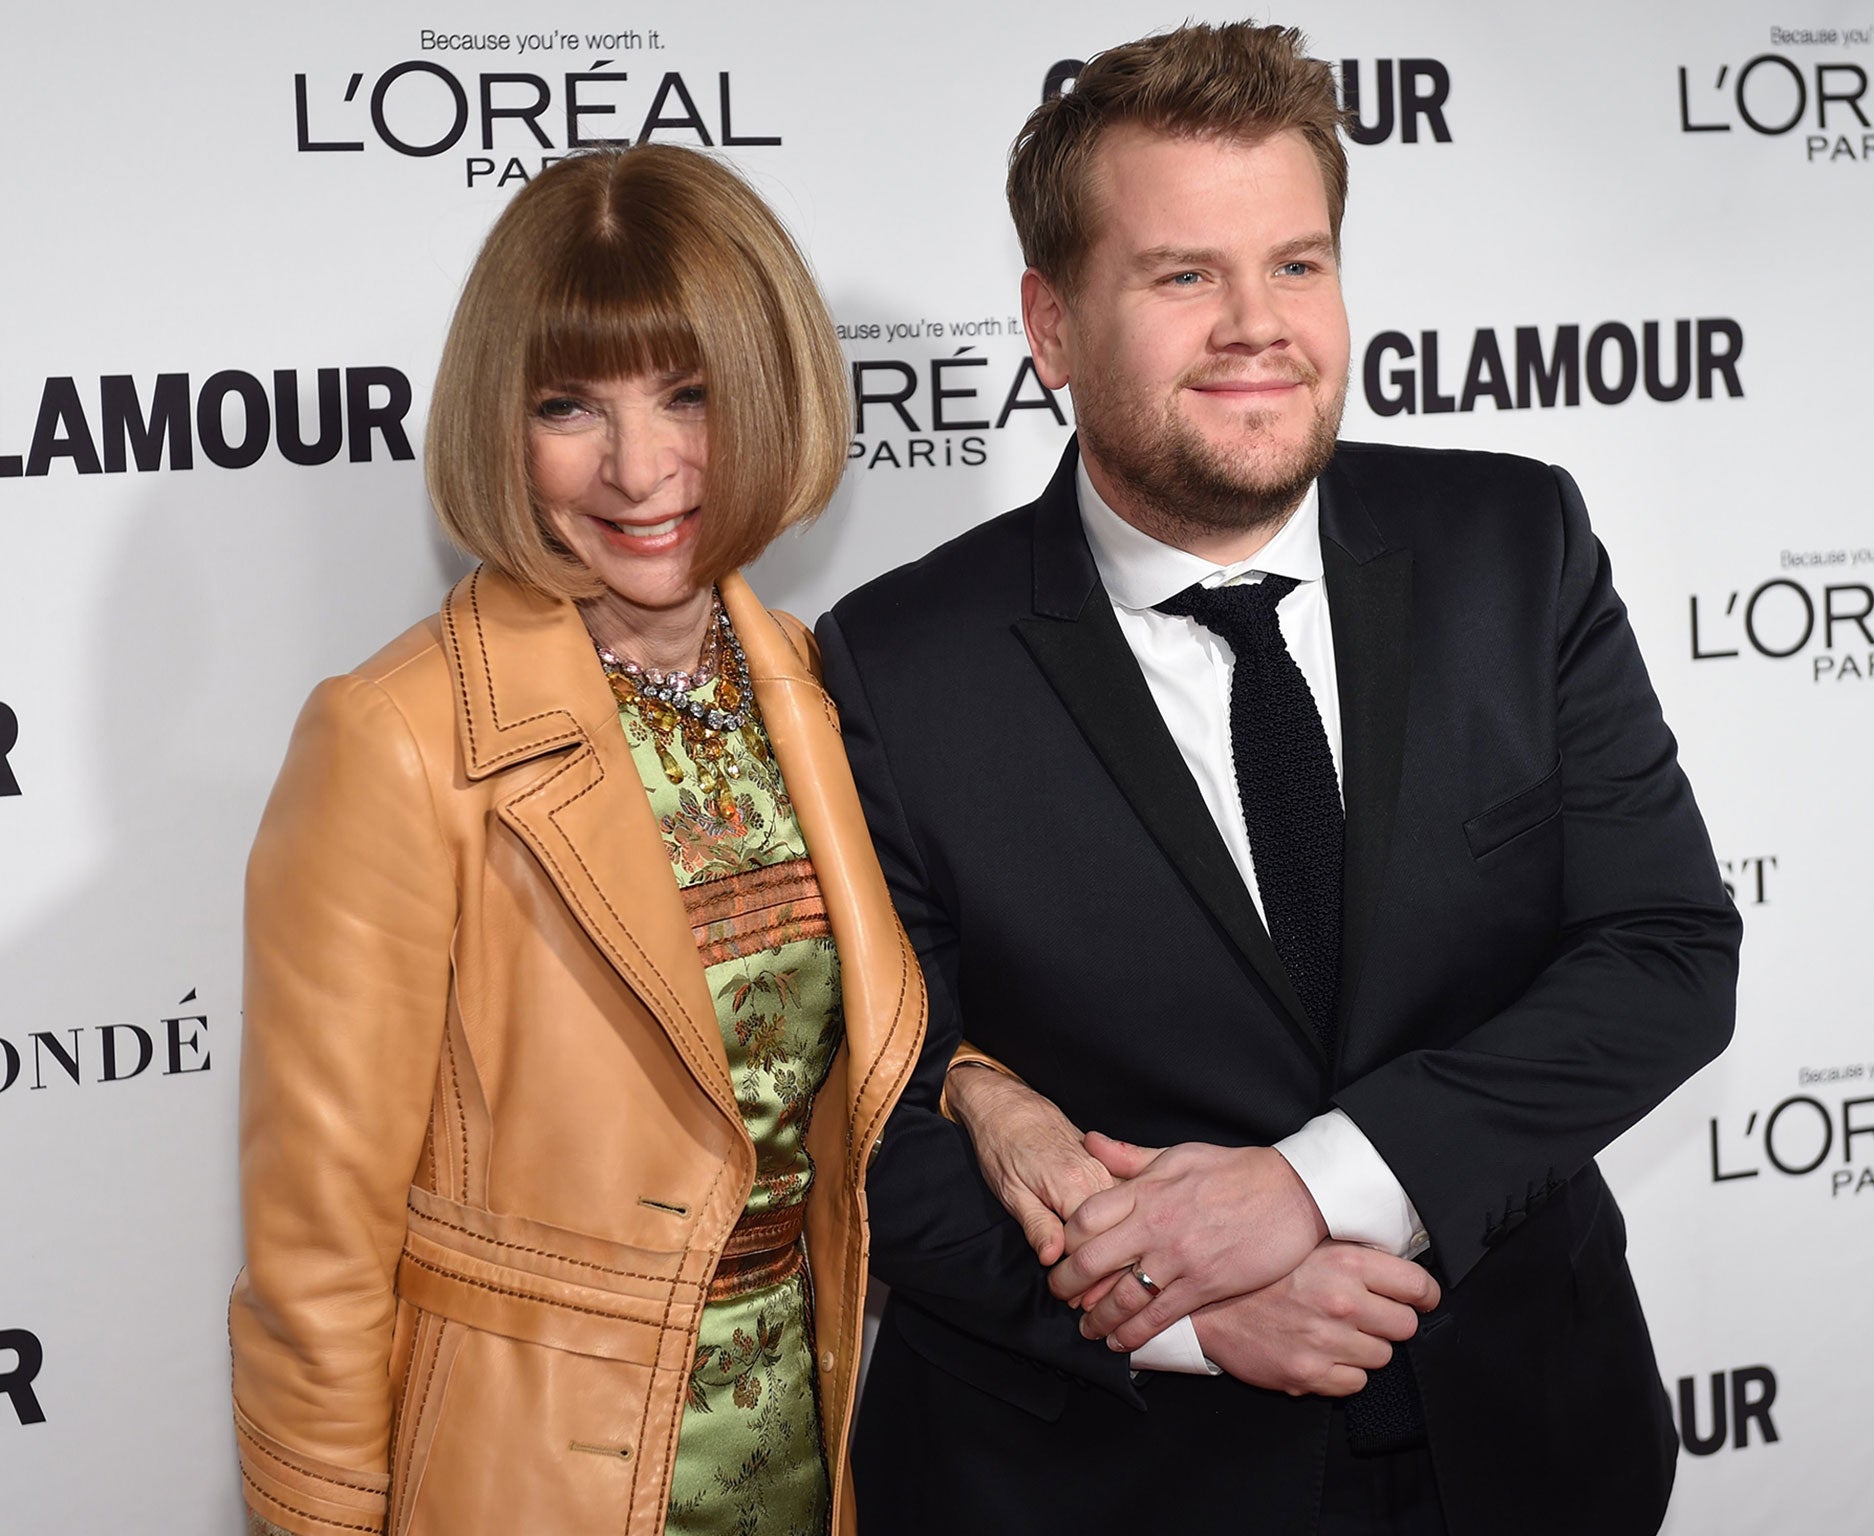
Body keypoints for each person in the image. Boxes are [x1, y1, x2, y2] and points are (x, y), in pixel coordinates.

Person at [821, 22, 1739, 1536]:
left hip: (1529, 1441)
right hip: (1114, 1477)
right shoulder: (896, 664)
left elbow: (1666, 958)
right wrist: (1183, 1312)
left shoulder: (1516, 546)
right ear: (1051, 327)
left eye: (1297, 265)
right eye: (1185, 276)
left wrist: (1319, 1185)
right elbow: (876, 1127)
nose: (1260, 326)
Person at [227, 144, 923, 1536]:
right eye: (569, 406)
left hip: (813, 1435)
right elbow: (318, 1241)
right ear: (501, 423)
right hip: (532, 1471)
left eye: (690, 393)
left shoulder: (813, 686)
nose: (640, 466)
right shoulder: (398, 736)